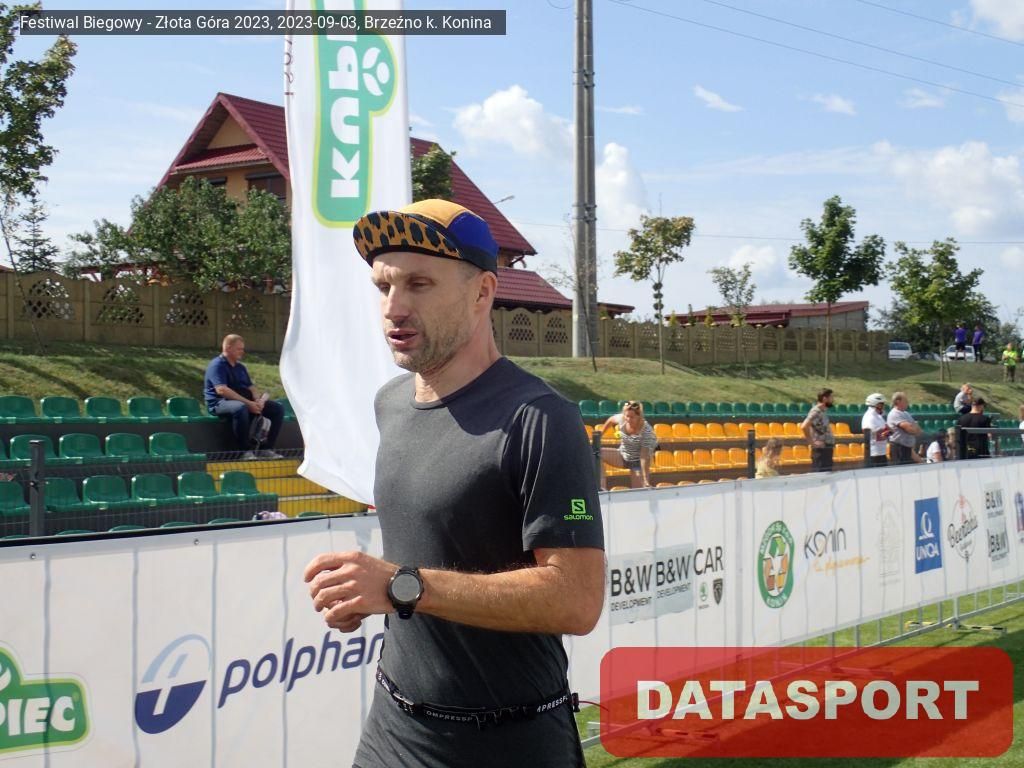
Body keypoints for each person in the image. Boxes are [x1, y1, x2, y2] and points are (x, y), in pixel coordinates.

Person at [304, 199, 605, 768]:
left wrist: (401, 587)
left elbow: (577, 600)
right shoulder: (390, 403)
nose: (393, 307)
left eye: (418, 284)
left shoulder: (541, 419)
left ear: (482, 292)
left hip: (509, 743)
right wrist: (367, 592)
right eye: (383, 286)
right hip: (393, 728)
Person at [204, 334, 284, 459]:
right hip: (219, 403)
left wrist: (257, 401)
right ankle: (243, 451)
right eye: (239, 349)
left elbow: (250, 387)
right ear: (228, 348)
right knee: (240, 408)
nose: (242, 352)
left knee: (277, 409)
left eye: (242, 349)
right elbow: (222, 390)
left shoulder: (240, 367)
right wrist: (248, 404)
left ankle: (266, 449)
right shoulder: (217, 365)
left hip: (244, 401)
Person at [595, 400, 657, 489]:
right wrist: (601, 433)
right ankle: (601, 488)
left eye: (632, 417)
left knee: (639, 491)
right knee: (596, 453)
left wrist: (645, 479)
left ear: (639, 416)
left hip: (638, 462)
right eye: (627, 416)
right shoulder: (622, 419)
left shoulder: (647, 431)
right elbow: (611, 420)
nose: (628, 419)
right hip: (622, 455)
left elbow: (644, 456)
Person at [801, 388, 835, 471]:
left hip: (826, 449)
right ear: (824, 399)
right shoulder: (816, 411)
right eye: (831, 397)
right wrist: (812, 443)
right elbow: (804, 426)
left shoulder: (822, 411)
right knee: (820, 475)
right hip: (820, 450)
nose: (833, 400)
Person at [886, 392, 923, 465]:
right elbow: (910, 430)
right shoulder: (895, 414)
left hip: (907, 449)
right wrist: (913, 427)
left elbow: (919, 430)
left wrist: (914, 428)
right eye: (905, 401)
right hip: (899, 449)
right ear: (898, 401)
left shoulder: (906, 414)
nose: (907, 403)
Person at [861, 393, 891, 467]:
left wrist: (886, 432)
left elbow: (888, 430)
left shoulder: (878, 416)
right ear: (876, 404)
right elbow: (875, 435)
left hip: (882, 452)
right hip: (874, 454)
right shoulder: (869, 417)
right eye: (882, 404)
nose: (883, 406)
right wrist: (887, 432)